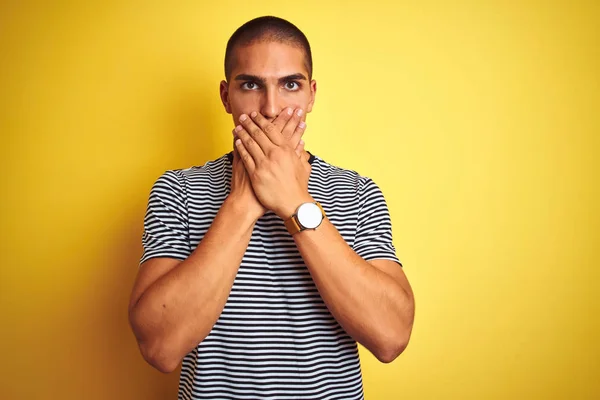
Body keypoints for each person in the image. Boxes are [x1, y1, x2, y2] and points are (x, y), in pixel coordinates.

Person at [128, 15, 415, 400]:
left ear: (311, 94)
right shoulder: (178, 191)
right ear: (226, 95)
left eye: (290, 85)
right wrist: (243, 203)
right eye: (251, 85)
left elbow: (391, 337)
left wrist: (296, 202)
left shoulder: (358, 192)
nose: (270, 107)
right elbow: (159, 347)